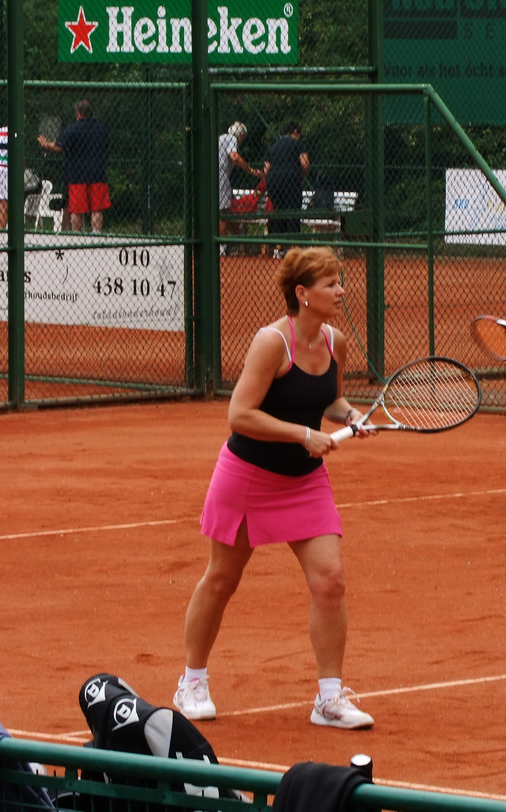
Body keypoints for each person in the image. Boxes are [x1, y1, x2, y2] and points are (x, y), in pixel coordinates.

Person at [175, 246, 375, 729]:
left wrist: (349, 415)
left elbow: (330, 400)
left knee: (330, 580)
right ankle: (191, 682)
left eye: (340, 282)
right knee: (222, 579)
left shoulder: (335, 342)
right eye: (331, 284)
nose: (340, 291)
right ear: (302, 293)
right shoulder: (271, 342)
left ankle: (329, 699)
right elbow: (240, 415)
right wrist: (303, 435)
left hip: (305, 482)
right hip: (247, 477)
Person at [37, 99, 110, 234]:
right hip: (97, 173)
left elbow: (59, 147)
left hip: (77, 175)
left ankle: (76, 235)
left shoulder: (73, 129)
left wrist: (47, 145)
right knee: (97, 209)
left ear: (78, 114)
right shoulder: (101, 128)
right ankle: (96, 234)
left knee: (77, 210)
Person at [264, 121, 310, 258]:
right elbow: (305, 163)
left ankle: (278, 249)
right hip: (291, 179)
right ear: (295, 132)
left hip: (273, 181)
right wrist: (302, 177)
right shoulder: (297, 145)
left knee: (279, 211)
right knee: (293, 212)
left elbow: (266, 169)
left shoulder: (274, 147)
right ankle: (294, 248)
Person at [218, 121, 263, 256]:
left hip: (213, 176)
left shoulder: (220, 138)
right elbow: (234, 157)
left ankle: (221, 244)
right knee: (223, 213)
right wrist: (251, 171)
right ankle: (222, 247)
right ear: (241, 135)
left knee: (217, 212)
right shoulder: (232, 139)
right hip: (221, 176)